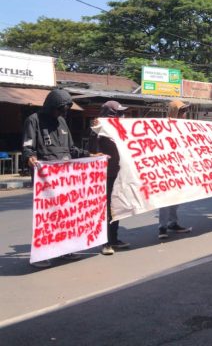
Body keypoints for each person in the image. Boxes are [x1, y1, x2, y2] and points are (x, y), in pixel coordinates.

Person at [22, 88, 92, 267]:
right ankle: (41, 255)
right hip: (45, 181)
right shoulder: (34, 120)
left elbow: (72, 150)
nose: (63, 113)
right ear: (51, 106)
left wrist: (91, 155)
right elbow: (28, 147)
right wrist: (30, 157)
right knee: (46, 217)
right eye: (60, 109)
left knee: (65, 216)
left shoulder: (62, 122)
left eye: (65, 110)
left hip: (64, 179)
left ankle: (64, 250)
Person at [89, 101, 131, 255]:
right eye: (118, 113)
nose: (122, 116)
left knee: (116, 208)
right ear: (110, 115)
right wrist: (95, 130)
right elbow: (91, 151)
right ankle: (105, 242)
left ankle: (114, 238)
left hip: (119, 174)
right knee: (106, 210)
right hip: (104, 176)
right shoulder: (98, 129)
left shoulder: (119, 129)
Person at [158, 100, 193, 239]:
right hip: (166, 168)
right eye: (182, 111)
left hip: (179, 168)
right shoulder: (163, 127)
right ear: (175, 112)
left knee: (175, 198)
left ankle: (173, 222)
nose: (185, 114)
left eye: (185, 111)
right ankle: (162, 227)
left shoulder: (185, 127)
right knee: (165, 199)